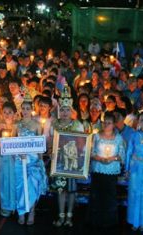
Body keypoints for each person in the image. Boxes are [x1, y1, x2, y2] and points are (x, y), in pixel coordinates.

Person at [51, 86, 84, 227]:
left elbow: (82, 145)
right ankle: (61, 215)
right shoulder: (55, 124)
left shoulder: (77, 125)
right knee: (60, 189)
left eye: (67, 110)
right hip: (59, 161)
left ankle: (69, 217)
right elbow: (52, 142)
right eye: (62, 110)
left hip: (72, 161)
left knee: (71, 190)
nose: (65, 112)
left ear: (72, 111)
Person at [12, 94, 47, 225]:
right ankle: (21, 212)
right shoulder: (16, 125)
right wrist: (17, 153)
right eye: (23, 108)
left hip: (33, 160)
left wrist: (41, 160)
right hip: (20, 160)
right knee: (20, 186)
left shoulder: (37, 125)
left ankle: (31, 211)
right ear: (20, 110)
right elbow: (11, 143)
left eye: (28, 108)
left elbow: (40, 144)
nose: (25, 111)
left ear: (31, 109)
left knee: (32, 185)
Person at [88, 111, 125, 228]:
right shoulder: (97, 136)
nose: (106, 125)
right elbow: (91, 152)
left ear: (114, 124)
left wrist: (112, 158)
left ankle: (109, 221)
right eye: (104, 123)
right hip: (98, 169)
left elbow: (122, 154)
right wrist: (100, 158)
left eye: (109, 123)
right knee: (97, 195)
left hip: (111, 170)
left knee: (110, 196)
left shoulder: (118, 138)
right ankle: (95, 220)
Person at [0, 102, 18, 217]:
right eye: (5, 112)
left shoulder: (17, 126)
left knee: (14, 179)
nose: (7, 114)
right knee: (4, 179)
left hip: (14, 156)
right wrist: (3, 145)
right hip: (3, 155)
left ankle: (14, 204)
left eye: (10, 112)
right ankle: (5, 205)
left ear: (15, 114)